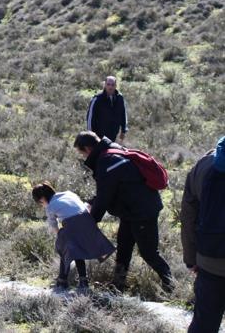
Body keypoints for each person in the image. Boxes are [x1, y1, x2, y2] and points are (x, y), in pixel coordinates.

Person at [74, 131, 173, 292]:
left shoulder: (107, 161)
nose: (83, 157)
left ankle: (171, 284)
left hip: (142, 212)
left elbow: (105, 196)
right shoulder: (113, 152)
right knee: (124, 247)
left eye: (82, 153)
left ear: (87, 148)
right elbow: (108, 190)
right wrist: (91, 204)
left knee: (148, 252)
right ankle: (118, 285)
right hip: (131, 211)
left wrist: (90, 222)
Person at [31, 182, 115, 294]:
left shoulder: (50, 206)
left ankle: (63, 281)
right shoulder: (68, 193)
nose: (42, 205)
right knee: (77, 251)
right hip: (88, 221)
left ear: (42, 199)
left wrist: (59, 236)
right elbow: (80, 206)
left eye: (41, 203)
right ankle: (82, 282)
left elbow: (53, 225)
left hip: (74, 224)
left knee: (64, 248)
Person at [181, 137, 225, 333]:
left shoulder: (204, 165)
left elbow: (189, 217)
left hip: (210, 261)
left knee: (204, 324)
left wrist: (191, 258)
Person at [86, 76, 127, 142]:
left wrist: (123, 130)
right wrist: (90, 134)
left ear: (116, 86)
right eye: (108, 84)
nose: (110, 87)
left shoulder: (120, 98)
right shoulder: (97, 99)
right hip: (98, 136)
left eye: (113, 85)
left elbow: (123, 114)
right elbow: (90, 118)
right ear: (104, 85)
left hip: (113, 134)